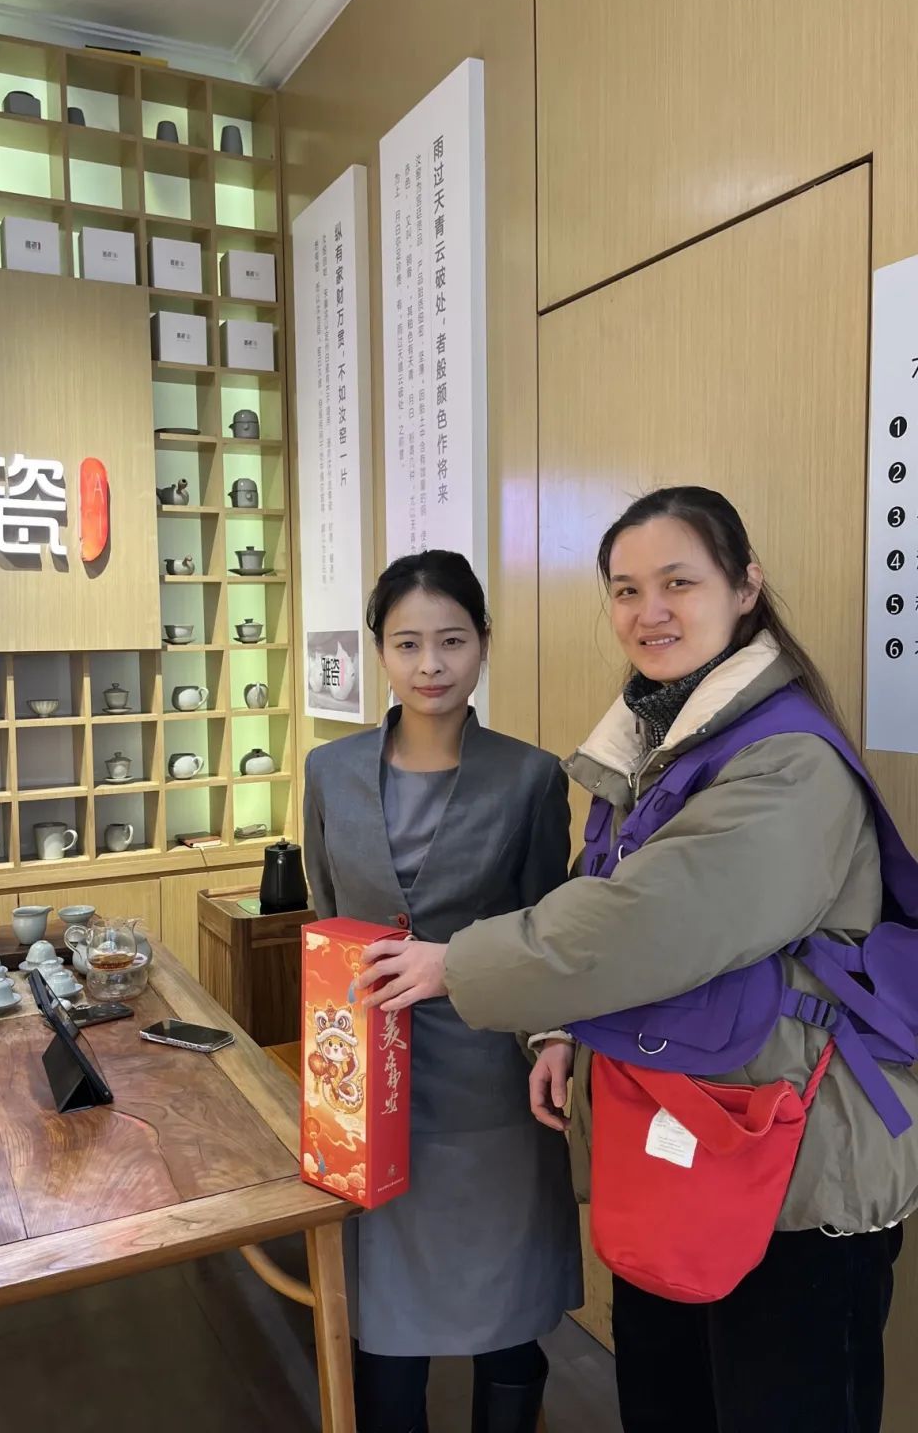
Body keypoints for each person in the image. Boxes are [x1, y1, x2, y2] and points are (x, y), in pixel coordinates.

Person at [356, 488, 918, 1433]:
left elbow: (648, 921)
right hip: (680, 1140)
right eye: (625, 590)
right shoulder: (655, 744)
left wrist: (457, 966)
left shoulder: (789, 761)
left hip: (797, 1164)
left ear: (746, 588)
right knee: (664, 1400)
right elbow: (602, 901)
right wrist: (563, 1030)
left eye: (678, 583)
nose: (649, 611)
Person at [303, 549, 582, 1433]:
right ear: (380, 651)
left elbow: (548, 930)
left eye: (453, 641)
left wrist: (555, 1039)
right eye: (408, 643)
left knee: (506, 1319)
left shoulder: (531, 776)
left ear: (484, 644)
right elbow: (327, 919)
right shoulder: (329, 771)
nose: (431, 665)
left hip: (491, 1090)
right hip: (367, 1088)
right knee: (383, 1330)